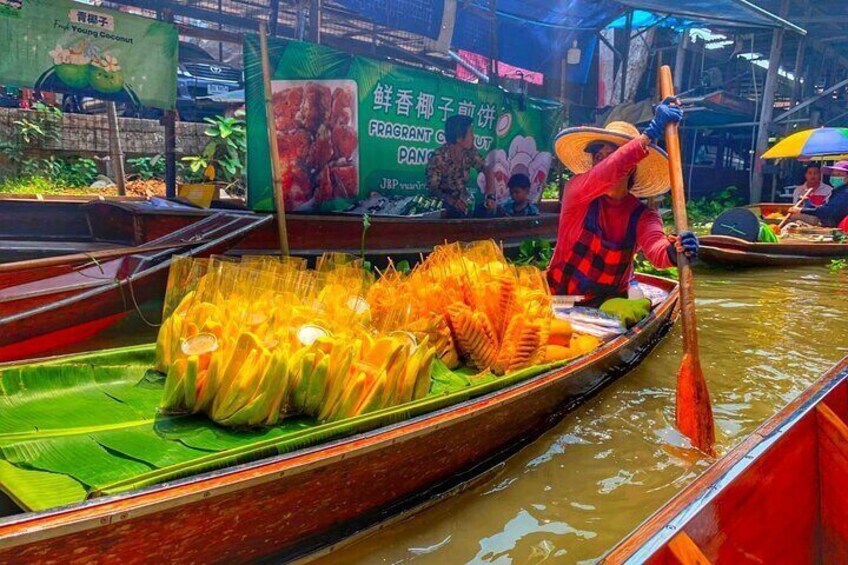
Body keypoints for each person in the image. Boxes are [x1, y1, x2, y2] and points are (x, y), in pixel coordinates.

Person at [547, 99, 698, 307]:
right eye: (598, 157)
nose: (603, 163)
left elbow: (657, 249)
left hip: (608, 307)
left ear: (630, 167)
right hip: (560, 300)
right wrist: (650, 134)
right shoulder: (577, 192)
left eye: (612, 156)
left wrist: (675, 251)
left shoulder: (643, 215)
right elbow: (606, 173)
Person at [426, 115, 496, 218]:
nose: (473, 137)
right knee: (453, 212)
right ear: (459, 138)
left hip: (463, 203)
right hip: (444, 205)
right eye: (471, 133)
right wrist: (453, 202)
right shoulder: (438, 158)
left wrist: (490, 196)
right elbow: (433, 190)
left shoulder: (470, 151)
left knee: (489, 211)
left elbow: (486, 169)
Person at [793, 160, 848, 229]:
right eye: (833, 175)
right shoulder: (837, 191)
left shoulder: (845, 193)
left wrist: (802, 210)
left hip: (842, 230)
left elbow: (827, 211)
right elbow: (823, 208)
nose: (835, 177)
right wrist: (807, 202)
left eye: (839, 175)